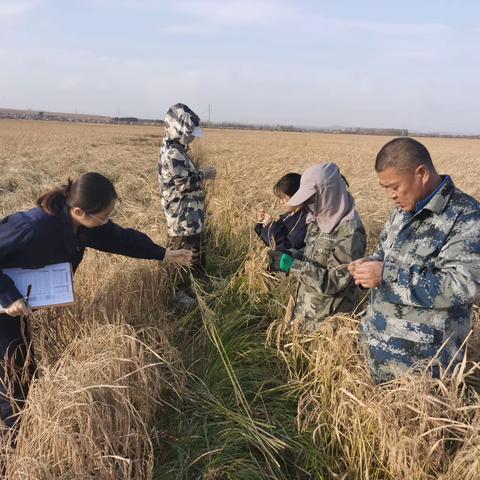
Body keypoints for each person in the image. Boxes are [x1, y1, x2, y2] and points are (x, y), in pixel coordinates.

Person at [0, 172, 192, 431]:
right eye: (104, 215)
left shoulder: (82, 226)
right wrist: (8, 295)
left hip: (17, 309)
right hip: (4, 306)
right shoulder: (32, 227)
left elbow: (121, 239)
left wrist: (165, 254)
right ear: (80, 211)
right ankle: (16, 447)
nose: (107, 221)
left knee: (24, 368)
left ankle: (21, 425)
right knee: (13, 378)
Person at [348, 137, 480, 384]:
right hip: (378, 348)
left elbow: (463, 285)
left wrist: (385, 275)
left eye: (394, 186)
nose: (390, 195)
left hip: (423, 368)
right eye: (384, 188)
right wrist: (368, 265)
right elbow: (385, 254)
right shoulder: (402, 211)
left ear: (421, 173)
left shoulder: (467, 218)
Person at [268, 163, 366, 332]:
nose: (308, 204)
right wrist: (290, 255)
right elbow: (311, 257)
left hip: (326, 326)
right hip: (305, 315)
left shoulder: (350, 231)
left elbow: (335, 281)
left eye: (312, 198)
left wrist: (293, 266)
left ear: (328, 194)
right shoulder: (318, 220)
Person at [157, 103, 217, 309]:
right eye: (190, 132)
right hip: (181, 219)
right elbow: (184, 184)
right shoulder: (173, 153)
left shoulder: (178, 150)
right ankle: (179, 297)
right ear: (178, 129)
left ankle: (195, 290)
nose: (192, 136)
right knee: (181, 255)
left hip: (190, 217)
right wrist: (205, 174)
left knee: (194, 253)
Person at [255, 173, 308, 254]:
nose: (281, 202)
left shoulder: (306, 220)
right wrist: (263, 224)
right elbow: (269, 242)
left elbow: (286, 247)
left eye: (283, 198)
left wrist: (270, 226)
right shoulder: (288, 215)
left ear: (296, 195)